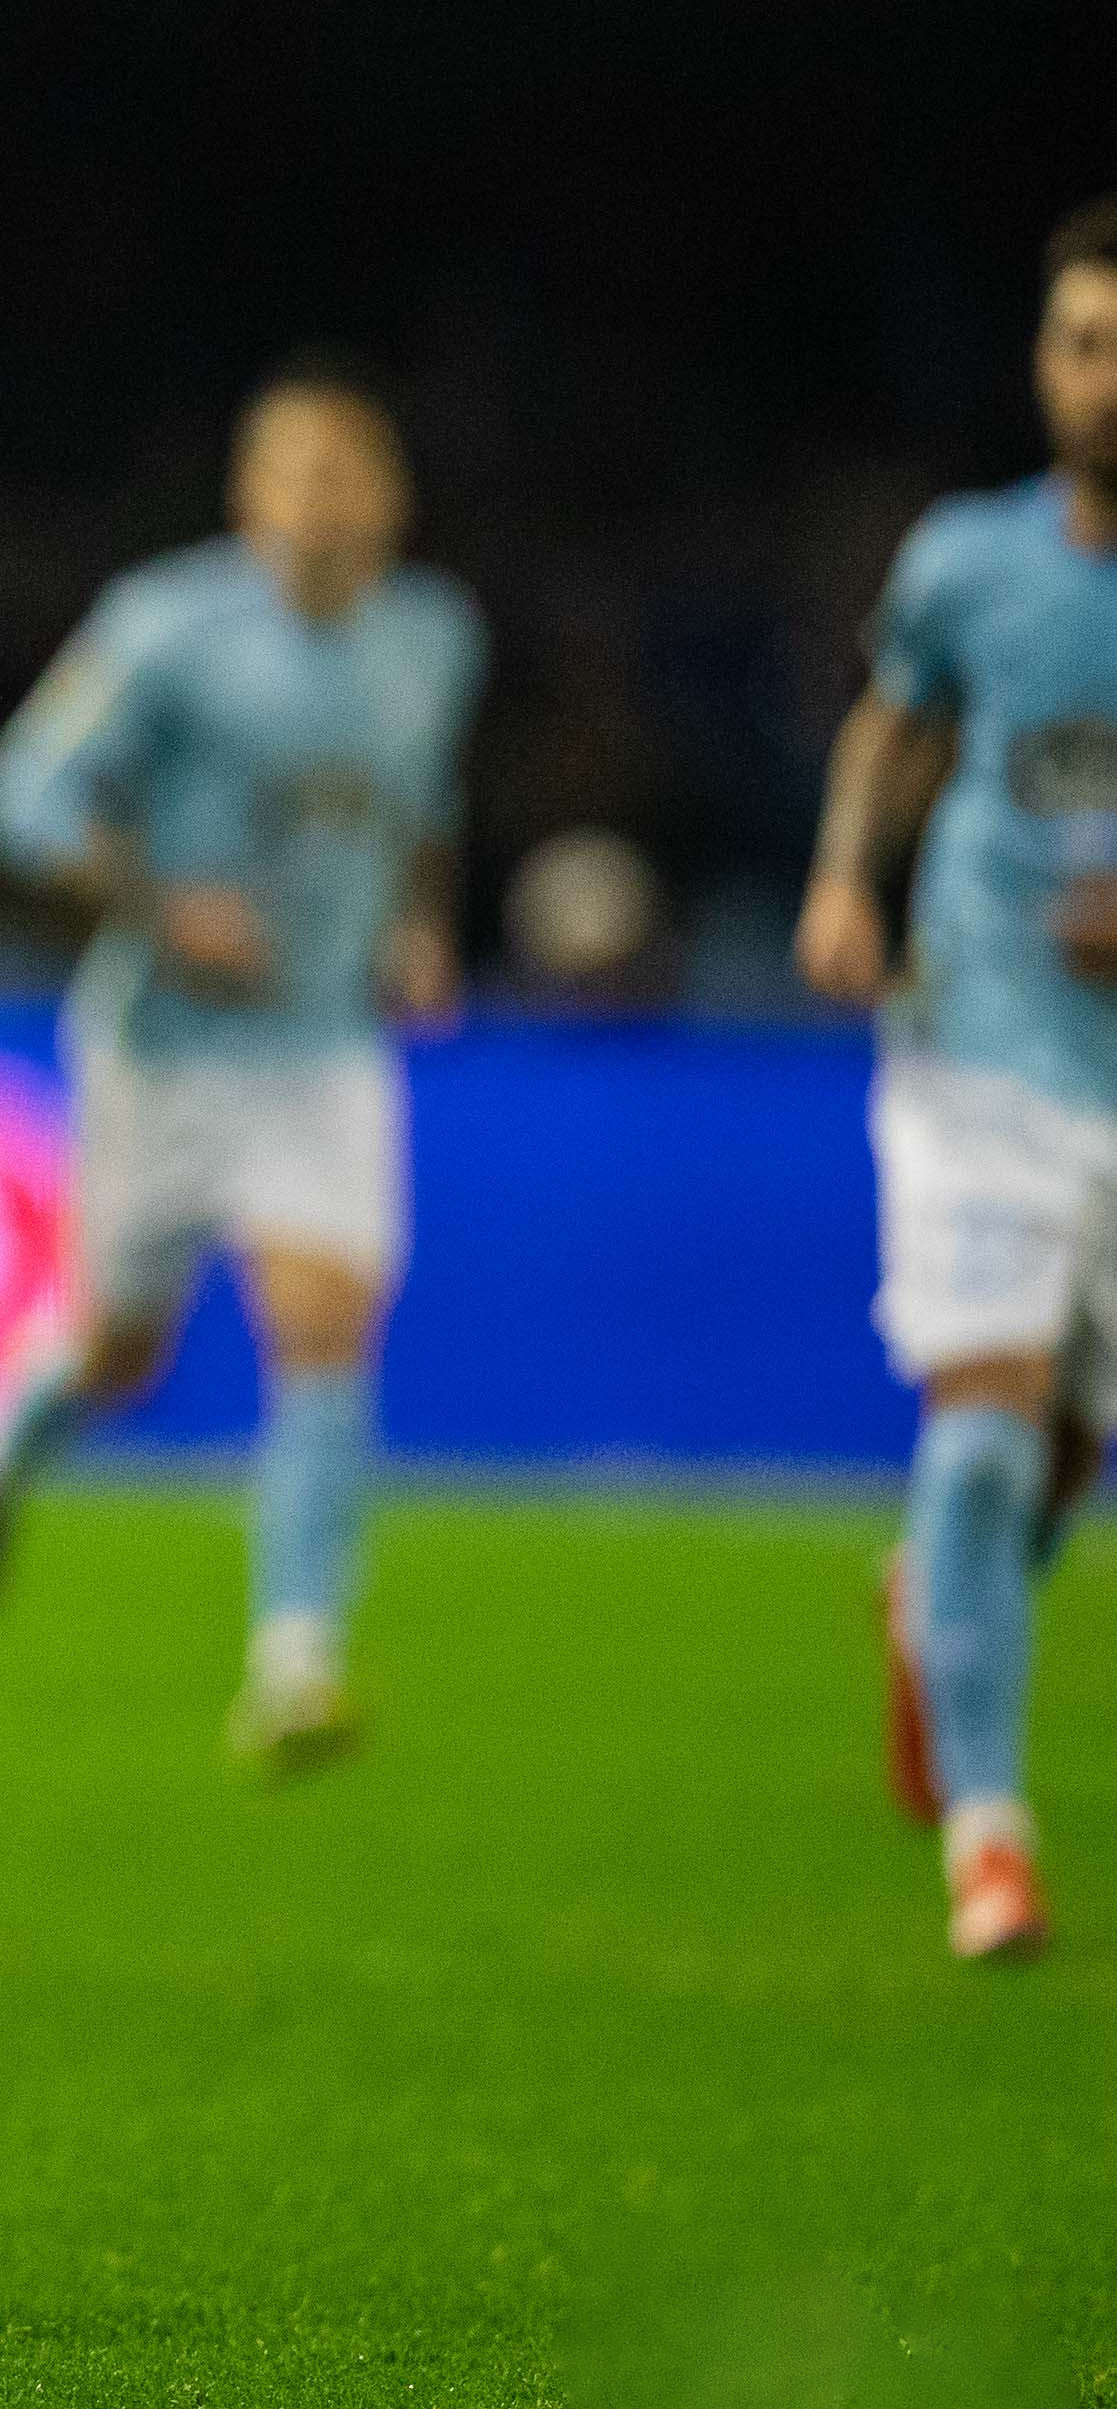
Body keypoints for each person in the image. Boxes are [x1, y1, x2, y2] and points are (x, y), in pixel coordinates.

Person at [0, 359, 483, 1774]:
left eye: (344, 478)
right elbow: (17, 798)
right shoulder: (164, 629)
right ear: (247, 497)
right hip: (163, 1049)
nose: (318, 507)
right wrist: (154, 900)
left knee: (321, 1328)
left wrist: (419, 925)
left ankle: (295, 1660)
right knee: (120, 1348)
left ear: (389, 504)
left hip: (318, 1051)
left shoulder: (431, 640)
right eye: (290, 477)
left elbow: (418, 809)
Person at [795, 196, 1117, 1963]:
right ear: (1044, 366)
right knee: (986, 1439)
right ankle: (990, 1844)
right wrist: (847, 871)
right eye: (1084, 343)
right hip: (978, 1047)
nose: (1108, 381)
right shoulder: (970, 562)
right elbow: (896, 716)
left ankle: (933, 1603)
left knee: (1060, 1456)